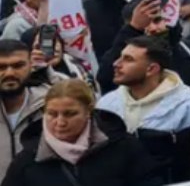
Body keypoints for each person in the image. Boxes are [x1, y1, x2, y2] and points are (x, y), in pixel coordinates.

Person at [2, 79, 161, 186]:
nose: (60, 122)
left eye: (70, 114)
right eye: (52, 114)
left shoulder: (122, 146)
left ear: (88, 112)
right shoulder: (28, 160)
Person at [95, 36, 190, 183]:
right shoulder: (106, 104)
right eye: (120, 57)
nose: (116, 64)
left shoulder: (185, 107)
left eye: (128, 59)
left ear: (151, 69)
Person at [0, 40, 55, 176]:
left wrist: (49, 72)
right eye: (1, 67)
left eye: (18, 66)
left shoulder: (50, 104)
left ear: (31, 65)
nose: (9, 73)